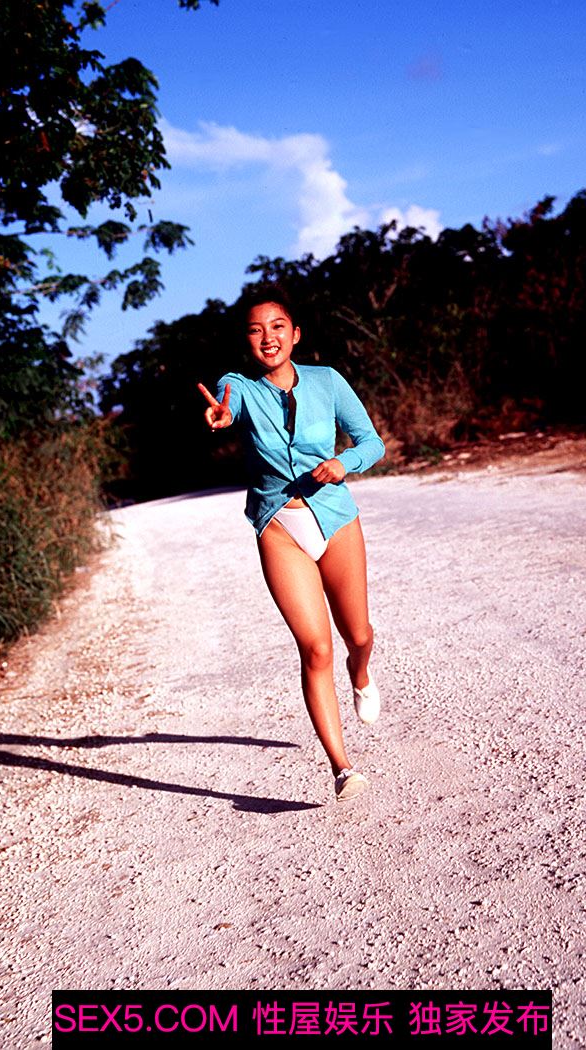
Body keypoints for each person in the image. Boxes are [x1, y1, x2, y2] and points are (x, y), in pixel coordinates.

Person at [197, 288, 385, 801]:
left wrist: (345, 463)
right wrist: (222, 417)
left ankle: (360, 672)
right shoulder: (238, 387)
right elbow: (227, 405)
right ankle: (342, 768)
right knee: (316, 647)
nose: (268, 338)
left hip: (336, 520)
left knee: (358, 635)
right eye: (256, 330)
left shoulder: (328, 381)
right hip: (280, 528)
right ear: (247, 343)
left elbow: (372, 442)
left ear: (295, 334)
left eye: (277, 327)